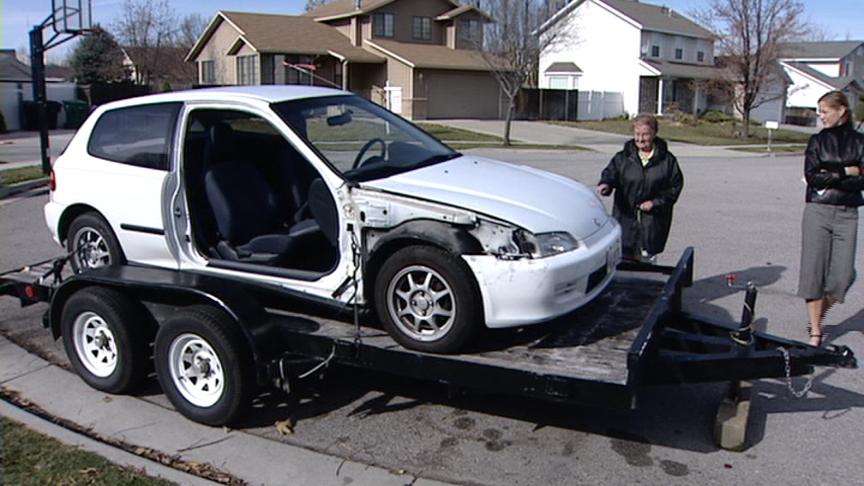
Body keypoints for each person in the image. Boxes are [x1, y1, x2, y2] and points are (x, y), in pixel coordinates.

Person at [798, 90, 864, 347]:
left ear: (841, 111)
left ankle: (820, 312)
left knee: (843, 276)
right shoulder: (817, 141)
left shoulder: (860, 142)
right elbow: (813, 177)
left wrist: (831, 174)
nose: (821, 116)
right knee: (813, 272)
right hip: (817, 210)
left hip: (847, 213)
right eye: (820, 111)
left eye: (825, 111)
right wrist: (845, 171)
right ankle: (816, 330)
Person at [596, 113, 683, 262]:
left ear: (654, 134)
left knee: (646, 265)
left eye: (645, 135)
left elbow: (674, 188)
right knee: (623, 263)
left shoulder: (667, 161)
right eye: (637, 134)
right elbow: (611, 173)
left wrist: (655, 203)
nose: (640, 139)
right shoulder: (623, 157)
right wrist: (606, 184)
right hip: (625, 219)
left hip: (652, 223)